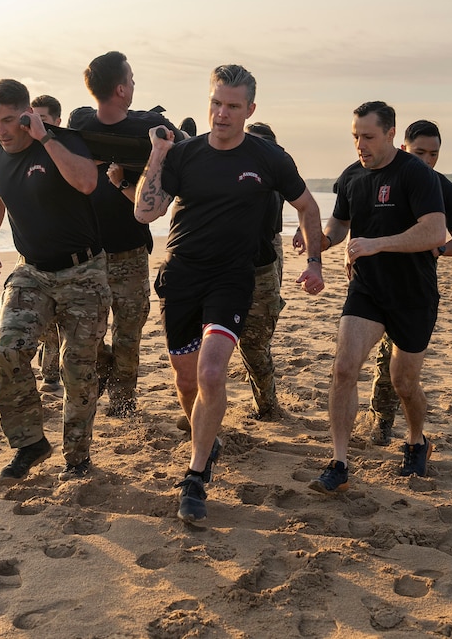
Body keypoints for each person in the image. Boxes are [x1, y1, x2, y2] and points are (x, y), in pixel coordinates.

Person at [134, 64, 325, 523]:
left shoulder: (268, 158)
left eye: (232, 106)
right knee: (186, 380)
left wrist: (315, 261)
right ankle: (208, 438)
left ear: (250, 109)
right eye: (216, 103)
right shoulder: (185, 155)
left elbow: (307, 206)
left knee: (211, 371)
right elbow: (145, 212)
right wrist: (158, 153)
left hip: (231, 278)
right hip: (182, 275)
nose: (222, 114)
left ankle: (196, 475)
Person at [309, 101, 446, 494]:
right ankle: (339, 463)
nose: (360, 144)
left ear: (390, 134)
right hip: (367, 289)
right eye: (355, 136)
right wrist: (323, 241)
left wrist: (377, 243)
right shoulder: (352, 176)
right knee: (344, 369)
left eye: (368, 136)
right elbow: (340, 222)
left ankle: (416, 441)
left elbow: (435, 231)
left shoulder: (416, 174)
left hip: (413, 294)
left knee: (403, 382)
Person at [0, 79, 110, 484]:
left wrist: (45, 138)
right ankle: (30, 443)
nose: (1, 130)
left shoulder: (62, 141)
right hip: (31, 271)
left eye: (8, 120)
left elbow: (87, 182)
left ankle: (77, 458)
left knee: (77, 368)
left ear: (26, 114)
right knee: (7, 351)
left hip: (83, 271)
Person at [68, 51, 185, 417]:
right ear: (120, 89)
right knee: (88, 333)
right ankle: (107, 372)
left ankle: (123, 402)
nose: (134, 84)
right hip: (90, 255)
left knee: (128, 332)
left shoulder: (142, 128)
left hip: (130, 250)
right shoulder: (82, 123)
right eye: (131, 79)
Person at [365, 120, 452, 445]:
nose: (427, 161)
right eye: (419, 153)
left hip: (414, 289)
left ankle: (388, 425)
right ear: (403, 148)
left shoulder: (444, 189)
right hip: (372, 284)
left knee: (397, 366)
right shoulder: (382, 180)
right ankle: (380, 420)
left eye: (433, 154)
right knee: (369, 360)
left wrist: (439, 249)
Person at [238, 121, 287, 419]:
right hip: (224, 265)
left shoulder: (274, 175)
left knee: (256, 344)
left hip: (264, 258)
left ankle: (267, 406)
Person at [29, 94, 64, 390]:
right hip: (34, 255)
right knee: (44, 322)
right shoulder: (21, 155)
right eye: (32, 119)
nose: (35, 126)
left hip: (70, 253)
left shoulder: (66, 153)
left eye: (43, 120)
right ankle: (50, 372)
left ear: (57, 122)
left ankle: (54, 374)